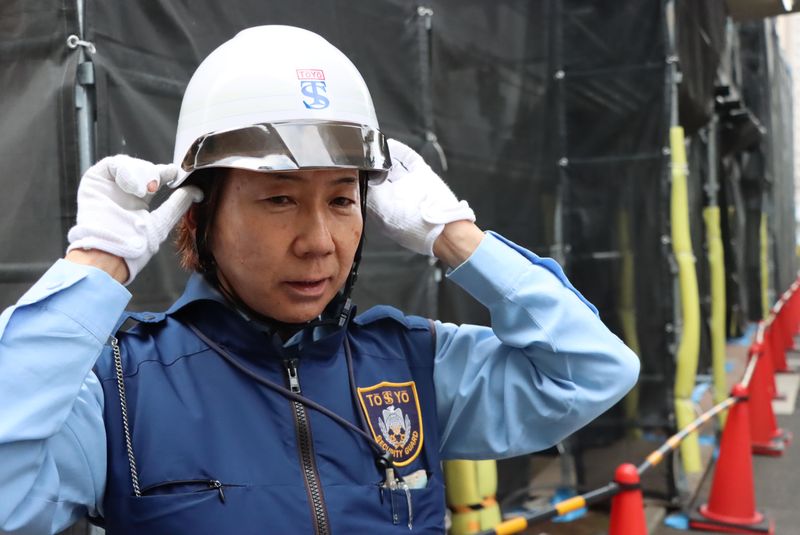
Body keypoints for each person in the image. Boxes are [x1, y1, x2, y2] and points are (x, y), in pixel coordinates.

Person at [0, 25, 639, 534]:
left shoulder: (413, 363)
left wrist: (456, 235)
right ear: (199, 212)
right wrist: (95, 267)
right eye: (279, 199)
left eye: (341, 199)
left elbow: (591, 372)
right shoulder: (119, 386)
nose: (319, 242)